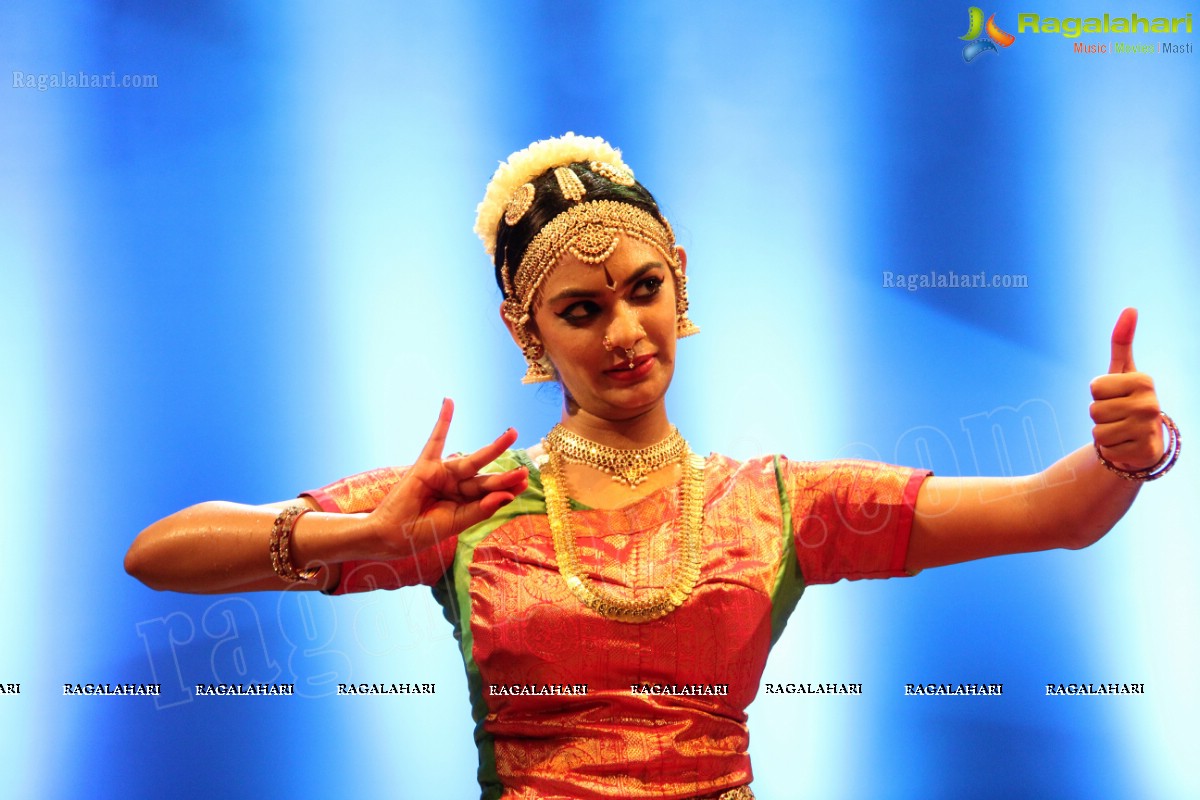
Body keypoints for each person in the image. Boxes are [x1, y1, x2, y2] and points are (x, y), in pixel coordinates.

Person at [125, 133, 1180, 800]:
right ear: (527, 332)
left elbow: (1058, 512)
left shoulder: (774, 504)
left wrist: (1133, 451)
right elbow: (157, 553)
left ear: (679, 283)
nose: (625, 329)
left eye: (643, 289)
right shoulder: (472, 506)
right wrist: (358, 533)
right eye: (582, 310)